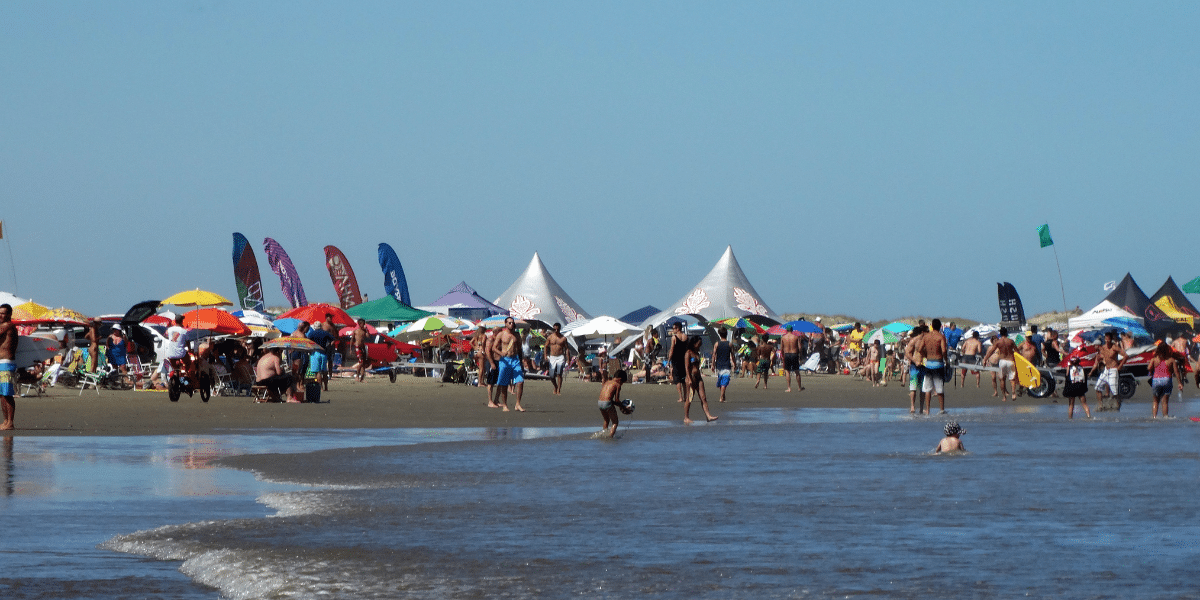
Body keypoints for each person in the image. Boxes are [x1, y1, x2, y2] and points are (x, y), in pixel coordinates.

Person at [491, 316, 526, 412]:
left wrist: (522, 361)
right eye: (509, 322)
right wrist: (501, 353)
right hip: (505, 360)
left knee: (520, 381)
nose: (511, 324)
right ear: (505, 324)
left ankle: (518, 404)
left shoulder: (517, 335)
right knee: (504, 383)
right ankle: (505, 405)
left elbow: (519, 349)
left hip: (515, 360)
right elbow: (494, 348)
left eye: (512, 322)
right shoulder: (501, 334)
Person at [684, 336, 718, 424]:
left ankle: (708, 416)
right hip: (690, 378)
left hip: (698, 378)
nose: (700, 345)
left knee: (703, 397)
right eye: (698, 344)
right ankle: (686, 417)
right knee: (689, 398)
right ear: (694, 343)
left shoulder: (696, 353)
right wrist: (689, 378)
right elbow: (687, 367)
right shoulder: (688, 353)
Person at [919, 319, 950, 414]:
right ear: (940, 326)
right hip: (938, 363)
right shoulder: (941, 336)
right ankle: (941, 409)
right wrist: (946, 360)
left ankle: (927, 410)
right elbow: (944, 350)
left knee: (927, 388)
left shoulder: (926, 336)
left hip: (929, 364)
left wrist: (925, 355)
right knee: (939, 388)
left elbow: (920, 349)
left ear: (932, 326)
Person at [1089, 331, 1127, 406]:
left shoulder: (1115, 347)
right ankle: (1100, 405)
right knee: (1097, 387)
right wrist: (1100, 358)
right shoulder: (1103, 347)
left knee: (1114, 391)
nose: (1107, 341)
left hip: (1113, 369)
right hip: (1106, 370)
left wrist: (1120, 366)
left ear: (1111, 339)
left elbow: (1126, 356)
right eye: (1106, 339)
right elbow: (1101, 357)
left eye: (1108, 339)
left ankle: (1118, 404)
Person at [1147, 342, 1183, 418]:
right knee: (1165, 402)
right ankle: (1165, 417)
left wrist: (1151, 369)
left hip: (1156, 380)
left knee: (1155, 401)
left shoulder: (1154, 359)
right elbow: (1176, 372)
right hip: (1167, 380)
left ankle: (1154, 417)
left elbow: (1149, 368)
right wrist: (1179, 383)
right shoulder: (1171, 360)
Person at [982, 327, 1018, 402]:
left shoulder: (998, 342)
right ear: (1007, 333)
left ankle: (1004, 397)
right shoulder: (1010, 341)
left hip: (1002, 361)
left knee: (1002, 379)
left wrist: (985, 359)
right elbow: (1017, 351)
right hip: (1010, 361)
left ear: (1000, 334)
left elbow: (991, 351)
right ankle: (1013, 393)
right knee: (1012, 379)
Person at [0, 304, 18, 430]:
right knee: (1, 394)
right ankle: (5, 421)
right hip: (1, 363)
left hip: (7, 362)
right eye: (0, 313)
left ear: (10, 314)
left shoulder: (9, 325)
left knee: (7, 393)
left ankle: (10, 422)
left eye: (4, 313)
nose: (1, 315)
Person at [597, 368, 626, 438]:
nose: (621, 384)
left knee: (606, 420)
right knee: (615, 422)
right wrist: (622, 406)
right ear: (619, 379)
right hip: (607, 403)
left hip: (599, 402)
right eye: (622, 382)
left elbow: (608, 398)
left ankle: (604, 434)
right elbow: (616, 400)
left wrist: (619, 405)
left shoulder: (607, 382)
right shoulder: (617, 385)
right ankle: (610, 437)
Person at [544, 322, 570, 395]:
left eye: (557, 329)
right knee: (551, 375)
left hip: (560, 356)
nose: (556, 330)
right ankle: (555, 386)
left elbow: (567, 349)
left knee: (559, 373)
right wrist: (545, 355)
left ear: (559, 329)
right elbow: (546, 346)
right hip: (552, 356)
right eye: (554, 329)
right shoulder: (550, 337)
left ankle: (558, 389)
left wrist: (568, 359)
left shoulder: (563, 338)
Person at [904, 326, 926, 414]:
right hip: (914, 366)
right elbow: (907, 352)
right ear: (922, 332)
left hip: (924, 366)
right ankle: (912, 406)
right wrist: (914, 360)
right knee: (913, 388)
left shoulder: (926, 340)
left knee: (923, 388)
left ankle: (921, 407)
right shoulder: (914, 340)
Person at [711, 329, 734, 403]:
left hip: (719, 365)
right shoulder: (729, 344)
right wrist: (735, 364)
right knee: (724, 381)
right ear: (726, 334)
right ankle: (721, 397)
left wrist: (712, 364)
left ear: (719, 334)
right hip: (726, 365)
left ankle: (723, 396)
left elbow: (714, 355)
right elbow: (732, 355)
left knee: (722, 380)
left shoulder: (717, 344)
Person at [668, 322, 689, 403]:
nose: (673, 330)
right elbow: (688, 349)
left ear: (678, 328)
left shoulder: (674, 337)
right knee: (683, 379)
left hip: (676, 359)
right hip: (684, 359)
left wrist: (669, 360)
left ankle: (681, 397)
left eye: (674, 328)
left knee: (677, 379)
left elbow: (672, 349)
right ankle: (685, 396)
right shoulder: (685, 336)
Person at [780, 325, 804, 392]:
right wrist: (801, 355)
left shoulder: (783, 337)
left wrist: (782, 356)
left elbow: (781, 348)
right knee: (797, 371)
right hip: (794, 354)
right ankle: (799, 387)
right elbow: (799, 347)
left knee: (787, 371)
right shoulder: (796, 337)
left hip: (787, 354)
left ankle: (789, 388)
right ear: (792, 330)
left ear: (787, 330)